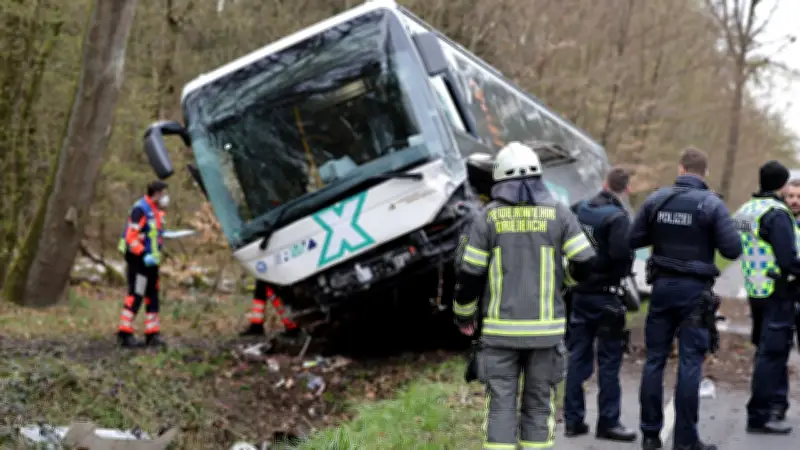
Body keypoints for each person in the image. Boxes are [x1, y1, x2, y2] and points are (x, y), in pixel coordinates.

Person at [452, 141, 596, 450]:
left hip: (500, 333)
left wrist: (464, 315)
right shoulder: (559, 213)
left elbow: (469, 275)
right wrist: (566, 280)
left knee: (501, 407)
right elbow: (585, 260)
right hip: (546, 334)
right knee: (538, 405)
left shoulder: (488, 218)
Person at [628, 147, 742, 450]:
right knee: (690, 363)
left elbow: (632, 239)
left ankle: (650, 435)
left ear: (680, 170)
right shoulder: (712, 204)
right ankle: (685, 441)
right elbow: (732, 250)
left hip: (663, 289)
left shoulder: (656, 200)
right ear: (704, 173)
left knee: (654, 360)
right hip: (694, 292)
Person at [563, 167, 637, 442]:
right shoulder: (618, 218)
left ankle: (573, 420)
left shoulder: (579, 208)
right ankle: (608, 422)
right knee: (608, 361)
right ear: (625, 189)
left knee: (577, 356)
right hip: (607, 296)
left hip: (580, 293)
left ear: (604, 183)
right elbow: (622, 257)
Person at [733, 160, 799, 435]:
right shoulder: (776, 214)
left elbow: (741, 247)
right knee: (772, 355)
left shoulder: (746, 211)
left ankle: (773, 406)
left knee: (764, 352)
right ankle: (760, 415)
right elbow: (788, 260)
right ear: (783, 185)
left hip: (755, 289)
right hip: (777, 291)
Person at [116, 181, 170, 348]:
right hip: (139, 261)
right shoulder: (140, 209)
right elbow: (131, 237)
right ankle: (124, 333)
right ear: (156, 193)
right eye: (163, 193)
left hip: (152, 262)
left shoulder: (156, 210)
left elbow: (153, 234)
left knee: (152, 296)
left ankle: (152, 334)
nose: (165, 197)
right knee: (137, 293)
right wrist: (143, 254)